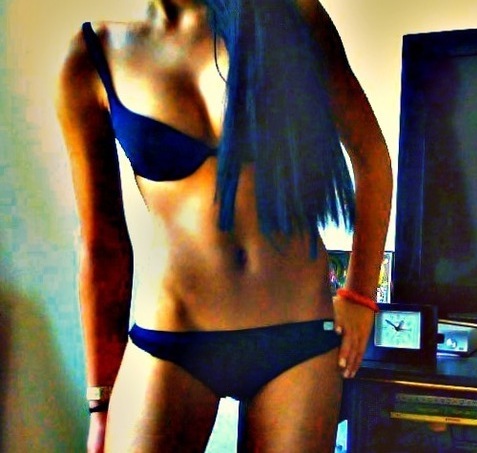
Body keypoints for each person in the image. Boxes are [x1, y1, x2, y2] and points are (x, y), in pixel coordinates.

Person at [55, 0, 392, 451]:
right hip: (173, 336)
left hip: (297, 337)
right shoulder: (93, 55)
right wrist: (100, 401)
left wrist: (360, 296)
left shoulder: (293, 15)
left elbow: (371, 159)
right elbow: (102, 242)